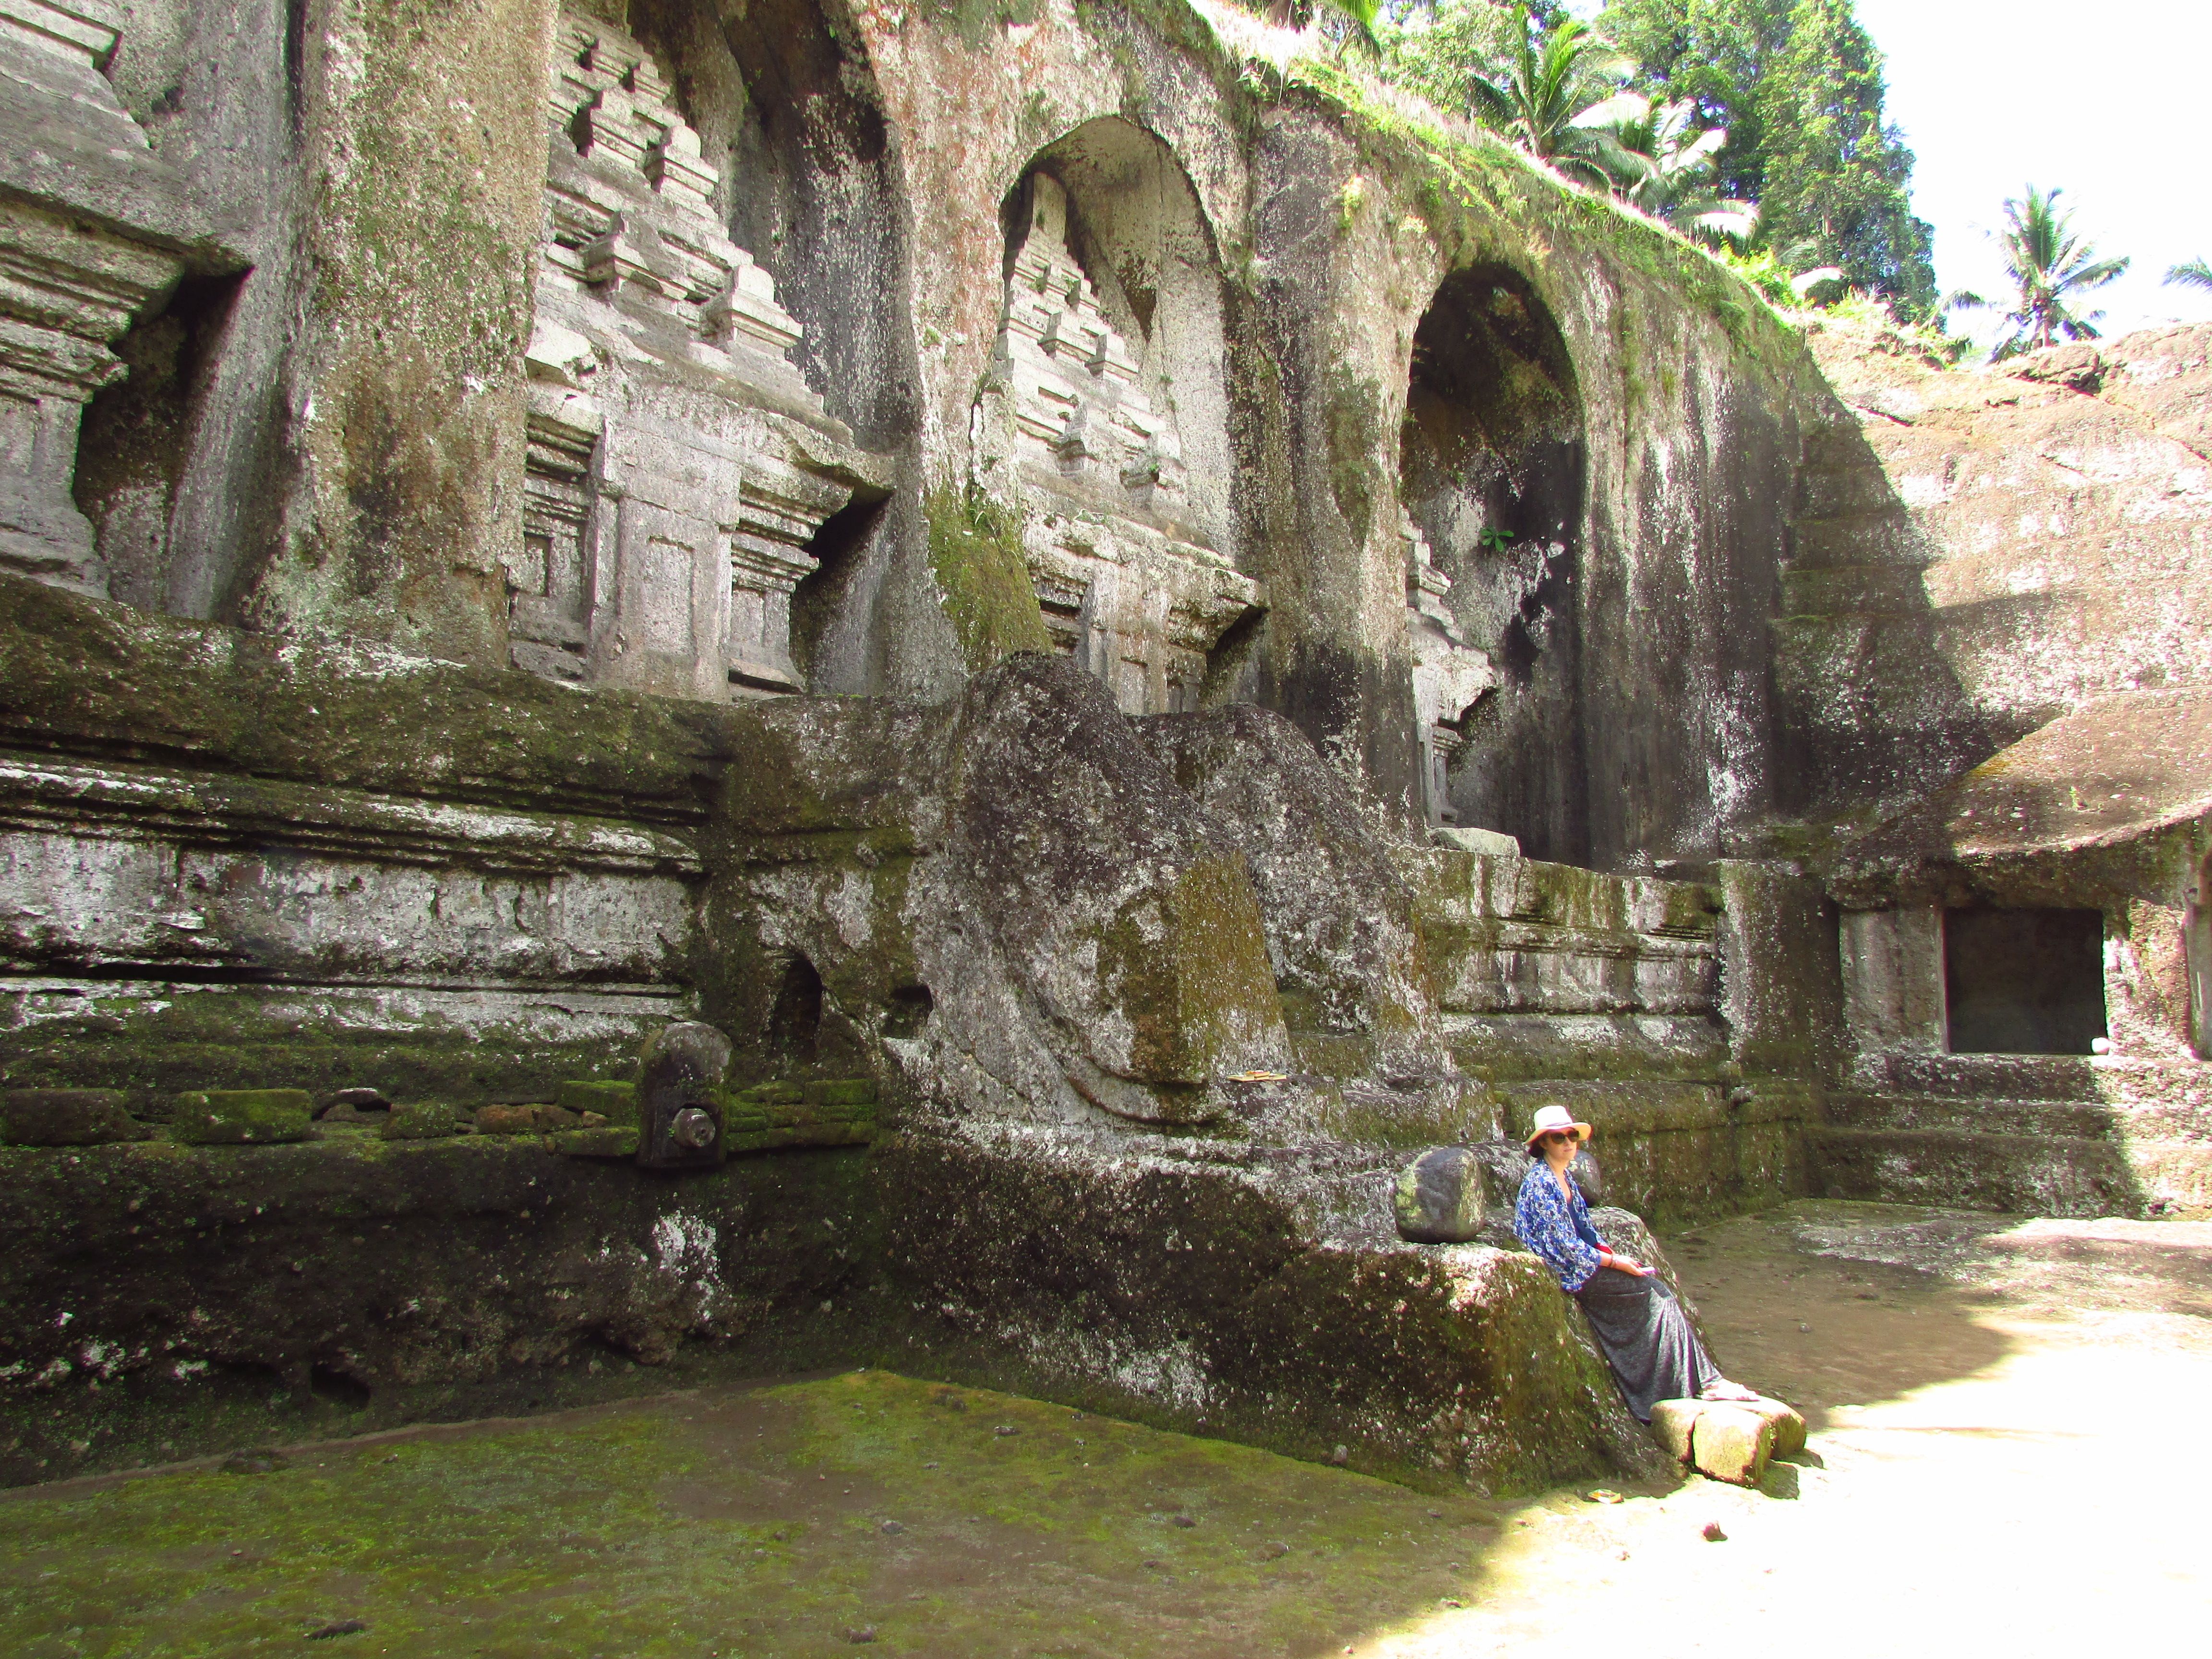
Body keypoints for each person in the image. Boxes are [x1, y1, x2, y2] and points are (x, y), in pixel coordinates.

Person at [1511, 1104, 1759, 1422]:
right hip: (1568, 1271)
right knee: (1658, 1297)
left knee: (1657, 1291)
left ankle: (1704, 1383)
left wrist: (1617, 1258)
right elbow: (1565, 1246)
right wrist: (1615, 1263)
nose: (1569, 1143)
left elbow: (1586, 1231)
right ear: (1543, 1143)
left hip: (1582, 1264)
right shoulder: (1542, 1183)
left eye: (1572, 1135)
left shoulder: (1565, 1179)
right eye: (1560, 1138)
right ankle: (1708, 1385)